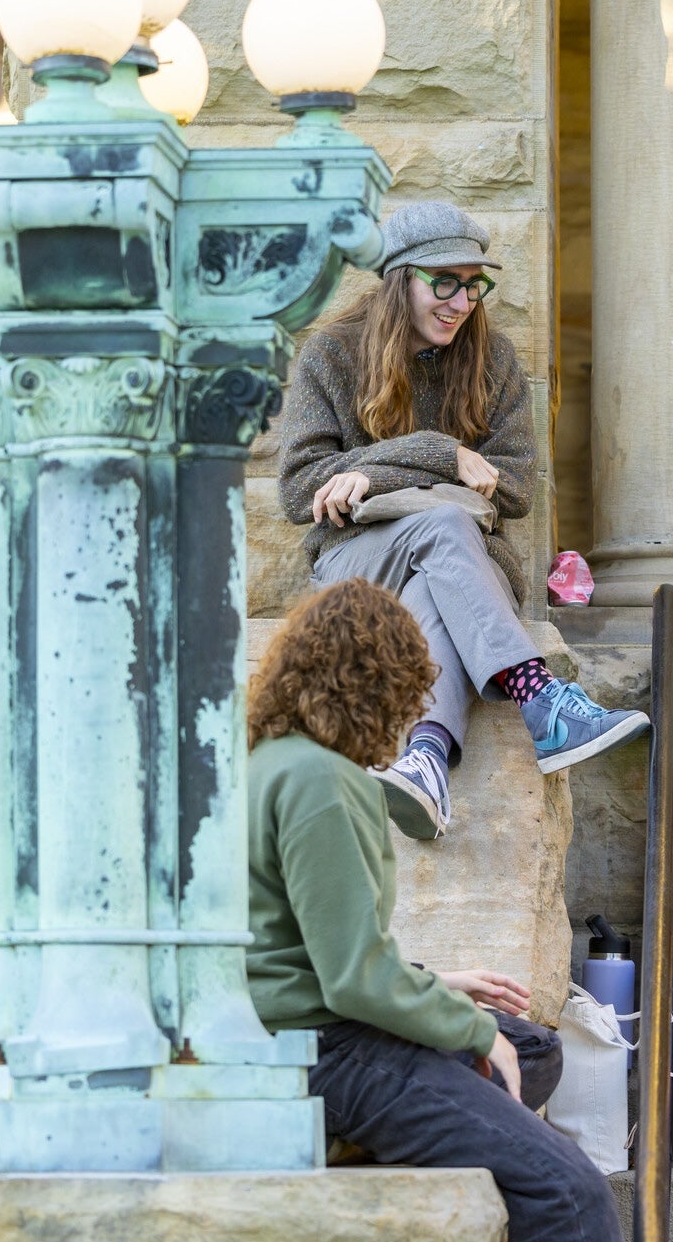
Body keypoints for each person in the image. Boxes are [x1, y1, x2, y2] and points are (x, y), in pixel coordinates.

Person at [244, 578, 621, 1242]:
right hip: (320, 1051)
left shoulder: (268, 764)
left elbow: (304, 943)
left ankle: (370, 1137)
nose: (413, 708)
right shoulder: (325, 785)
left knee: (532, 1048)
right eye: (410, 691)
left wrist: (437, 987)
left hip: (290, 1028)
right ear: (380, 687)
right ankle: (361, 1128)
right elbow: (352, 979)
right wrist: (472, 1031)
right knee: (569, 1191)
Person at [277, 201, 647, 840]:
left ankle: (424, 761)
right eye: (443, 282)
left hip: (463, 569)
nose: (461, 301)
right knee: (446, 523)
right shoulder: (331, 357)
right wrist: (439, 453)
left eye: (474, 283)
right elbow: (300, 491)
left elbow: (515, 491)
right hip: (358, 563)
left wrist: (375, 471)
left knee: (439, 567)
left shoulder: (493, 361)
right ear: (399, 281)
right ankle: (543, 701)